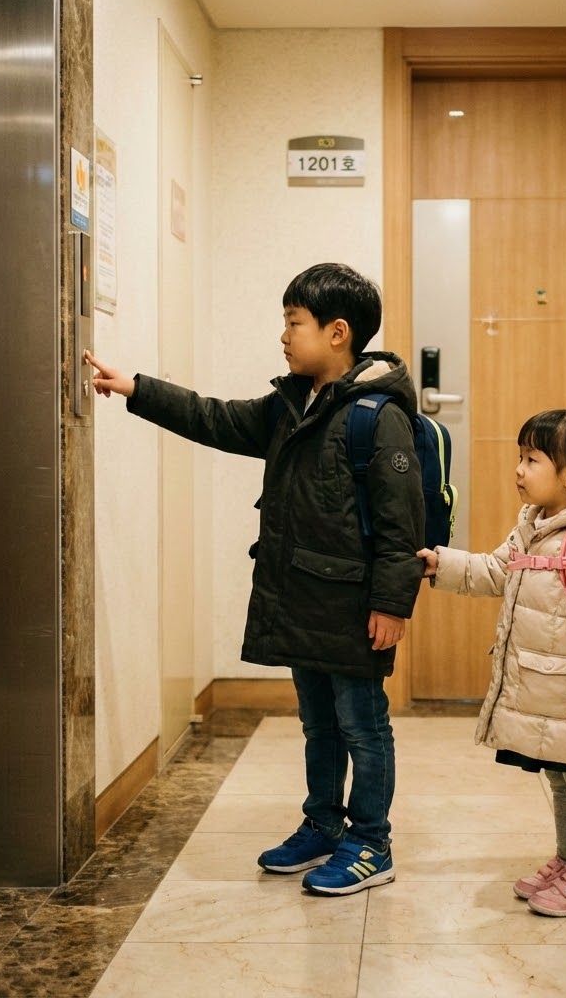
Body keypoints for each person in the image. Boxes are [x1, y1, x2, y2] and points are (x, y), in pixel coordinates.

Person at [85, 262, 424, 896]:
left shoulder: (378, 417)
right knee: (319, 725)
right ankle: (323, 824)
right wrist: (136, 388)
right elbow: (216, 418)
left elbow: (401, 523)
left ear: (338, 332)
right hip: (302, 596)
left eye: (295, 323)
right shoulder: (293, 404)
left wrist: (391, 603)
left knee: (362, 725)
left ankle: (371, 843)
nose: (284, 336)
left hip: (354, 605)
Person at [417, 409, 566, 917]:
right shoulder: (534, 525)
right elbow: (498, 570)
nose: (519, 470)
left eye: (532, 460)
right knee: (562, 778)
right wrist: (443, 563)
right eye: (520, 458)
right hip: (547, 688)